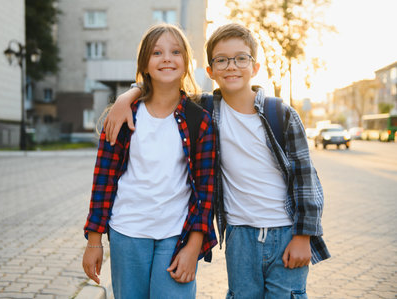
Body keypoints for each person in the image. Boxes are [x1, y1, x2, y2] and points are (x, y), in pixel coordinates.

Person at [103, 23, 330, 298]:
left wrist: (304, 236)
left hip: (285, 231)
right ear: (210, 71)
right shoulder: (207, 109)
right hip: (239, 233)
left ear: (255, 67)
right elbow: (162, 86)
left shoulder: (280, 113)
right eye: (221, 60)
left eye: (241, 58)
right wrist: (125, 98)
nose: (231, 66)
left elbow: (306, 179)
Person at [82, 23, 217, 299]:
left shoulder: (199, 119)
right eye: (157, 52)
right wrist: (94, 239)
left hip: (176, 235)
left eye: (175, 51)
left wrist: (194, 247)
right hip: (127, 232)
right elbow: (104, 179)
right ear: (145, 63)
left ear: (186, 62)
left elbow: (206, 190)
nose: (167, 58)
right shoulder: (123, 115)